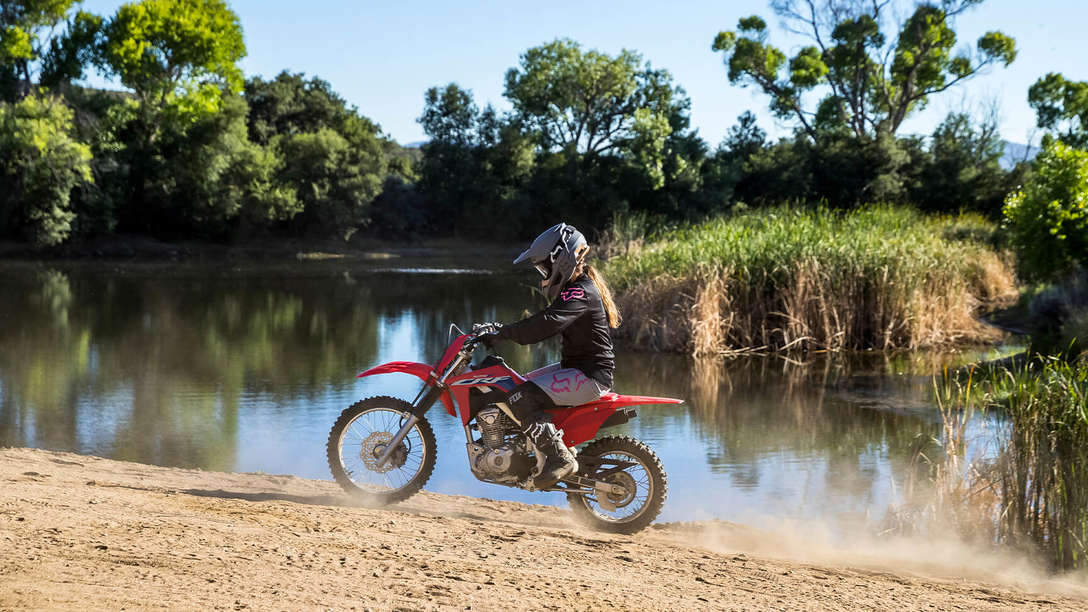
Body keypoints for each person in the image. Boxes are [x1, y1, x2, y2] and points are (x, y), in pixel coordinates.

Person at [482, 222, 622, 488]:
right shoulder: (576, 287)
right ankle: (534, 452)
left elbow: (547, 323)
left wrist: (504, 332)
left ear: (561, 259)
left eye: (544, 266)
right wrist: (498, 330)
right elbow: (545, 320)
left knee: (519, 397)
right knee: (516, 386)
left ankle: (560, 459)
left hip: (590, 377)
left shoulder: (580, 292)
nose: (543, 273)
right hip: (579, 369)